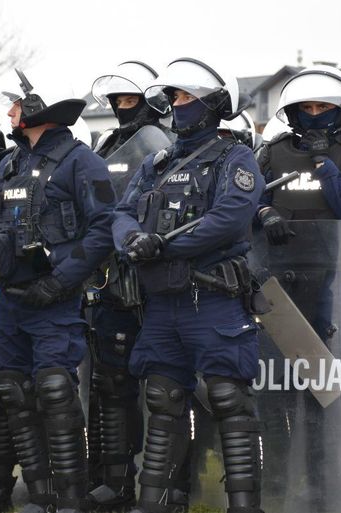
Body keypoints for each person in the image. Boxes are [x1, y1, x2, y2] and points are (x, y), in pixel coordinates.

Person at [112, 57, 265, 513]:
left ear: (211, 105)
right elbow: (120, 214)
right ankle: (154, 503)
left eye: (183, 97)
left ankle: (244, 506)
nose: (175, 106)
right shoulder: (157, 163)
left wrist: (163, 247)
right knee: (162, 401)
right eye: (173, 98)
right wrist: (133, 241)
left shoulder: (235, 157)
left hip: (213, 298)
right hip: (162, 304)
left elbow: (228, 220)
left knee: (229, 402)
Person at [0, 67, 115, 513]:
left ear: (41, 108)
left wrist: (61, 280)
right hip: (12, 302)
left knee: (55, 393)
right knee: (16, 394)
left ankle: (71, 500)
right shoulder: (9, 163)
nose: (11, 111)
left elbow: (103, 229)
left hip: (56, 302)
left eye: (17, 104)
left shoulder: (82, 161)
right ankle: (39, 496)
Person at [256, 65, 341, 512]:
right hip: (288, 282)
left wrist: (326, 168)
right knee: (287, 381)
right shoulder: (272, 150)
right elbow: (249, 200)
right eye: (305, 108)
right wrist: (265, 215)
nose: (314, 116)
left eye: (322, 108)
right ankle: (297, 472)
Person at [86, 60, 172, 510]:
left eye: (130, 100)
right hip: (108, 277)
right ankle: (118, 479)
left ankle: (171, 482)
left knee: (164, 388)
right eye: (116, 100)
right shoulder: (107, 143)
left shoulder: (164, 143)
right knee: (112, 384)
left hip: (153, 276)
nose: (122, 108)